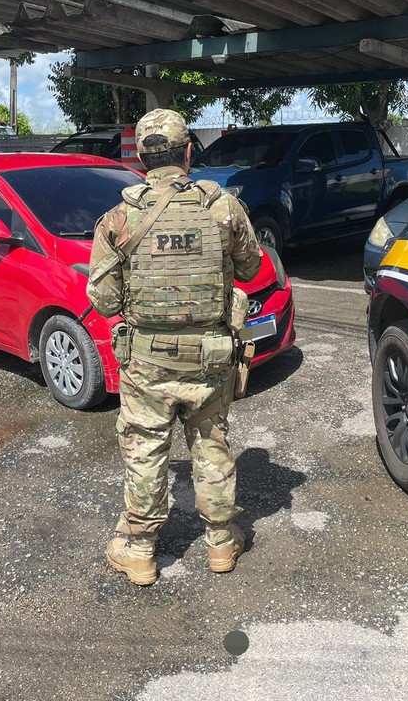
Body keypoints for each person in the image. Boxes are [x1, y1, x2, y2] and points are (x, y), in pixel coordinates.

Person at [86, 108, 263, 586]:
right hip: (210, 358)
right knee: (211, 445)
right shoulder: (222, 206)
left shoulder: (119, 218)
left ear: (142, 158)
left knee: (145, 449)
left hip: (147, 361)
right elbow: (250, 270)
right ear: (188, 153)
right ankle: (222, 544)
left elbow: (102, 300)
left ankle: (141, 551)